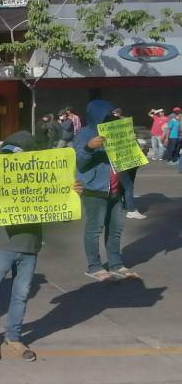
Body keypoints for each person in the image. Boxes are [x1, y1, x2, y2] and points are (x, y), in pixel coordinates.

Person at [0, 131, 84, 362]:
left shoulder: (41, 176)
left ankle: (13, 337)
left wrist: (71, 194)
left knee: (21, 294)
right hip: (2, 244)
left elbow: (60, 210)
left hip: (30, 245)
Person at [75, 100, 140, 282]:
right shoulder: (84, 134)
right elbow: (80, 163)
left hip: (115, 187)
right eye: (107, 114)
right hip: (94, 189)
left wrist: (135, 150)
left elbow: (126, 157)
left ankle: (116, 264)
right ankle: (94, 266)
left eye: (113, 113)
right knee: (95, 229)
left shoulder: (115, 131)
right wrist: (89, 147)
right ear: (97, 114)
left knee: (116, 229)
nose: (111, 116)